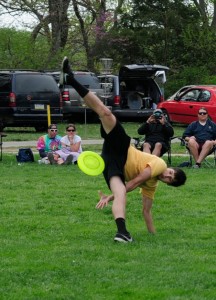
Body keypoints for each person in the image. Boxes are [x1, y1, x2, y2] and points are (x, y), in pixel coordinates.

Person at [61, 57, 187, 243]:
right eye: (170, 173)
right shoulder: (159, 164)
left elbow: (146, 211)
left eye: (169, 180)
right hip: (122, 150)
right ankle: (70, 79)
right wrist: (113, 195)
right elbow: (135, 182)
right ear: (169, 168)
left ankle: (122, 233)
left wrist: (154, 237)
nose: (167, 176)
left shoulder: (152, 186)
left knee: (121, 195)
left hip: (112, 164)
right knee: (105, 112)